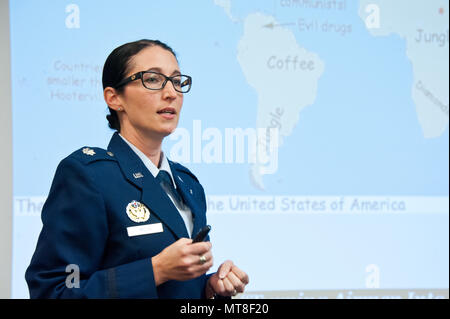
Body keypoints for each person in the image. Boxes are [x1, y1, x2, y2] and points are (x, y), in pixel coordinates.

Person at [25, 39, 249, 298]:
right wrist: (155, 270)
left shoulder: (188, 184)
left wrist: (209, 289)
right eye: (153, 80)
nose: (171, 93)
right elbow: (55, 291)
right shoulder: (88, 176)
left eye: (177, 81)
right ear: (114, 98)